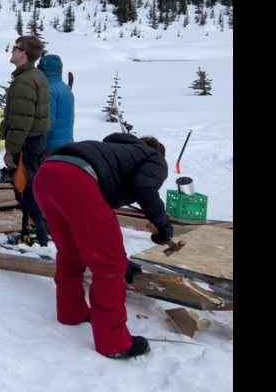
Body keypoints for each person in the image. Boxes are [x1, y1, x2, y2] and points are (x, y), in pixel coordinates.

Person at [32, 133, 172, 359]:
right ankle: (114, 342)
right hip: (76, 179)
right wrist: (163, 225)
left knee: (70, 253)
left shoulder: (112, 151)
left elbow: (92, 232)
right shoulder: (153, 158)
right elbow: (146, 187)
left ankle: (71, 312)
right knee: (109, 266)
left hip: (46, 176)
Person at [0, 36, 51, 246]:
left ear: (24, 54)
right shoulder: (33, 76)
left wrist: (11, 150)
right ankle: (32, 231)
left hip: (27, 143)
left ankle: (36, 234)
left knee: (25, 189)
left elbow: (22, 121)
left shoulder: (25, 81)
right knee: (30, 187)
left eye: (15, 48)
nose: (12, 51)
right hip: (34, 141)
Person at [37, 54, 75, 154]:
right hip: (67, 144)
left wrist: (37, 144)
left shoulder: (49, 90)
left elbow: (48, 122)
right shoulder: (65, 88)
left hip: (51, 148)